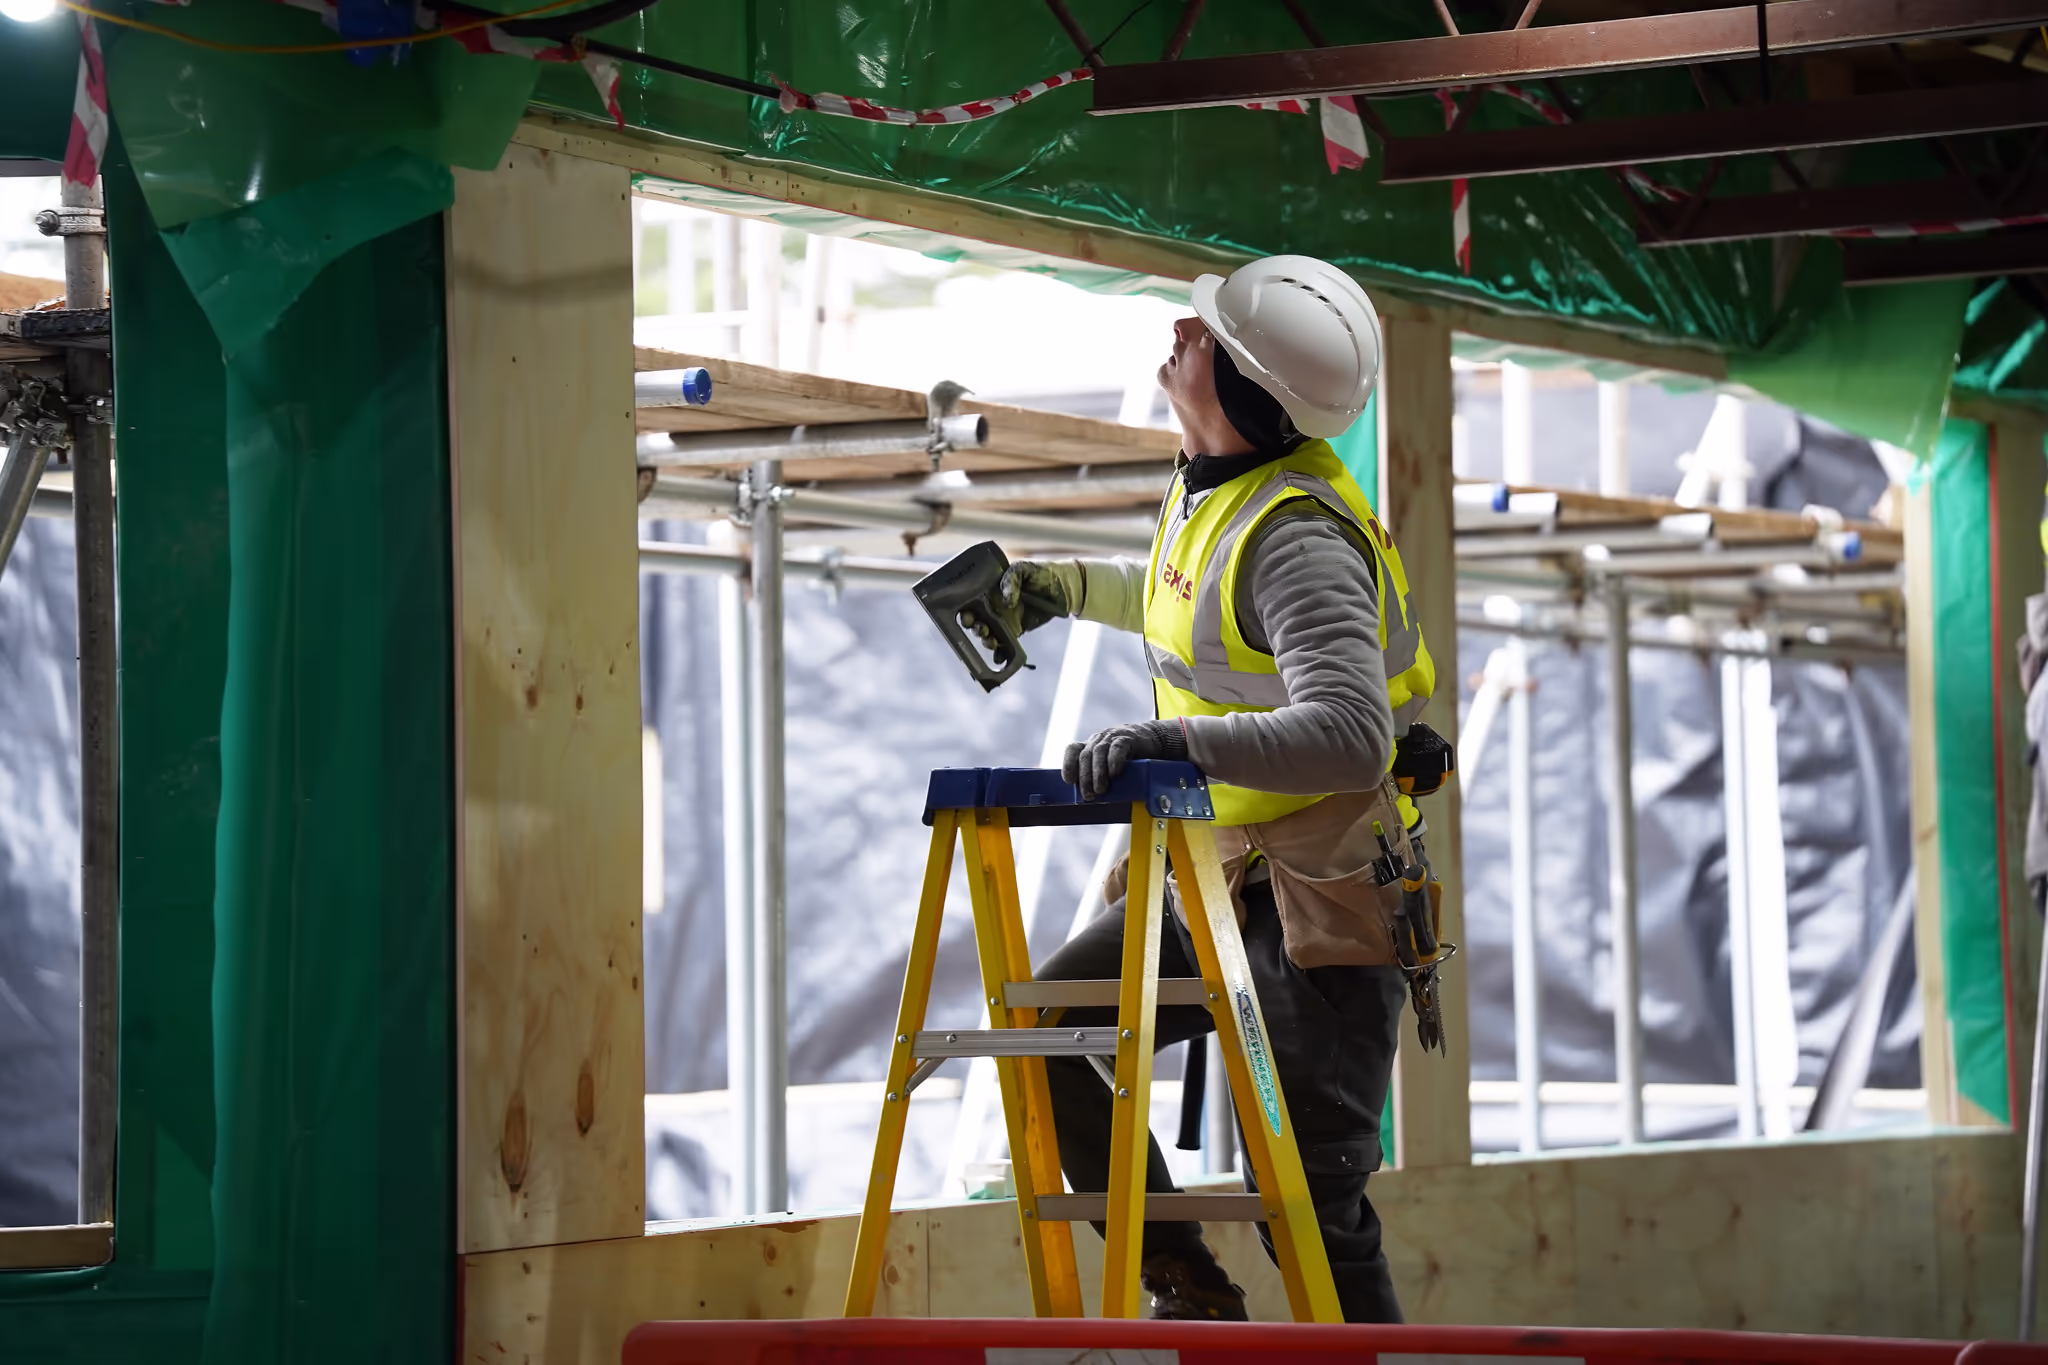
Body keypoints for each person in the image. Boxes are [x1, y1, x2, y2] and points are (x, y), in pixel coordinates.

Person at [976, 254, 1444, 1322]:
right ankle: (1183, 1277)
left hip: (1315, 902)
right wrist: (1058, 589)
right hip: (1218, 882)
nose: (1181, 336)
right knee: (1044, 1032)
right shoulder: (1214, 490)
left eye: (1205, 335)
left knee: (1311, 1204)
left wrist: (1170, 743)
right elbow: (1188, 610)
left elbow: (1349, 734)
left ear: (1240, 388)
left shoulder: (1291, 539)